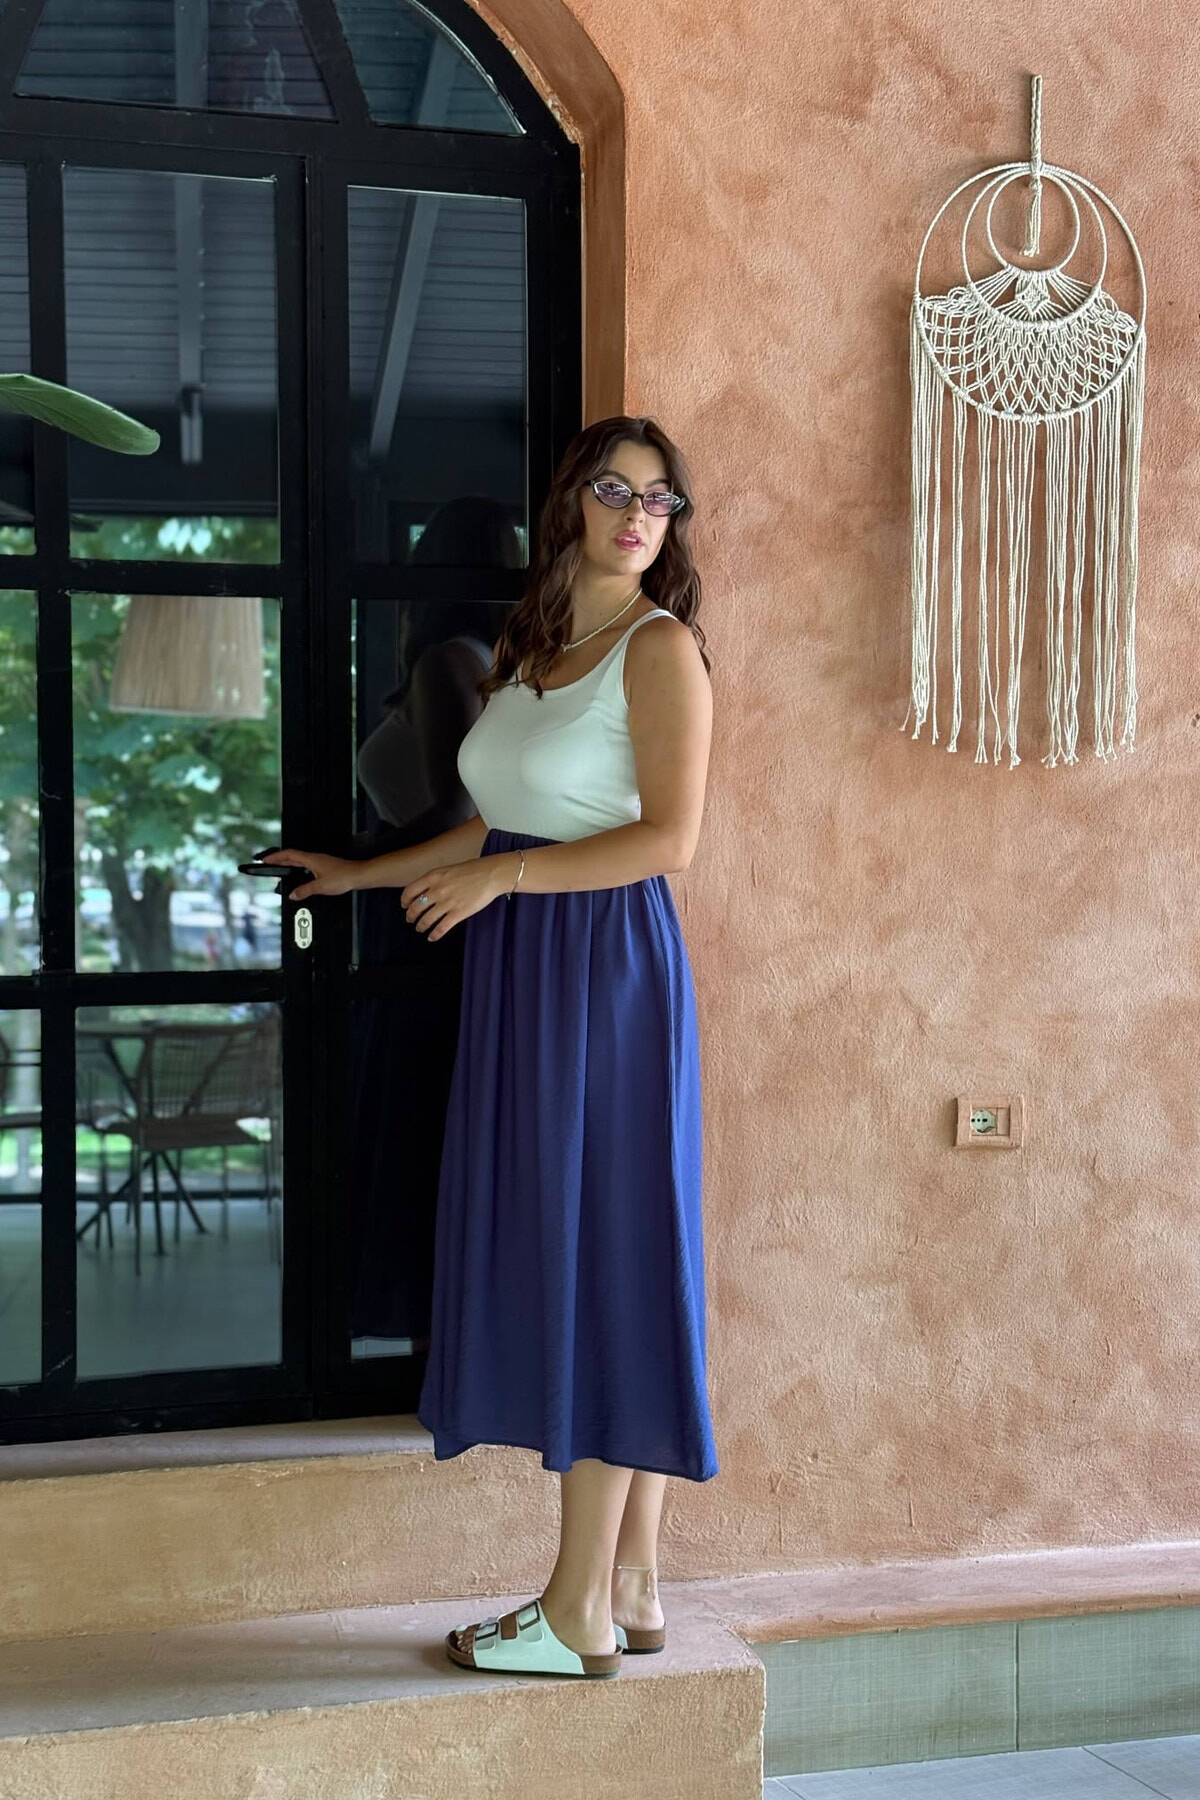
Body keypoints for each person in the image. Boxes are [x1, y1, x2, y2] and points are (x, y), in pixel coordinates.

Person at [262, 415, 717, 1681]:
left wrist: (501, 887)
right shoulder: (534, 647)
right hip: (531, 969)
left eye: (662, 500)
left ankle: (574, 1613)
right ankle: (632, 1586)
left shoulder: (660, 647)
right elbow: (500, 823)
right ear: (571, 503)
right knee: (591, 1242)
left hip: (603, 969)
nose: (639, 517)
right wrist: (358, 875)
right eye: (616, 491)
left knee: (607, 1250)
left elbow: (668, 841)